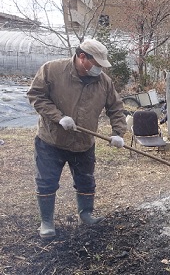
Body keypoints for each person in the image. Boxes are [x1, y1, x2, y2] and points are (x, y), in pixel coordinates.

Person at [26, 39, 127, 238]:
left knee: (86, 181)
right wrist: (58, 117)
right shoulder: (52, 70)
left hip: (83, 143)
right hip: (51, 140)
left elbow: (116, 108)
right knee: (46, 181)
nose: (99, 69)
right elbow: (36, 96)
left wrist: (118, 133)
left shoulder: (104, 82)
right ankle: (46, 221)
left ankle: (86, 214)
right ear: (82, 57)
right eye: (97, 64)